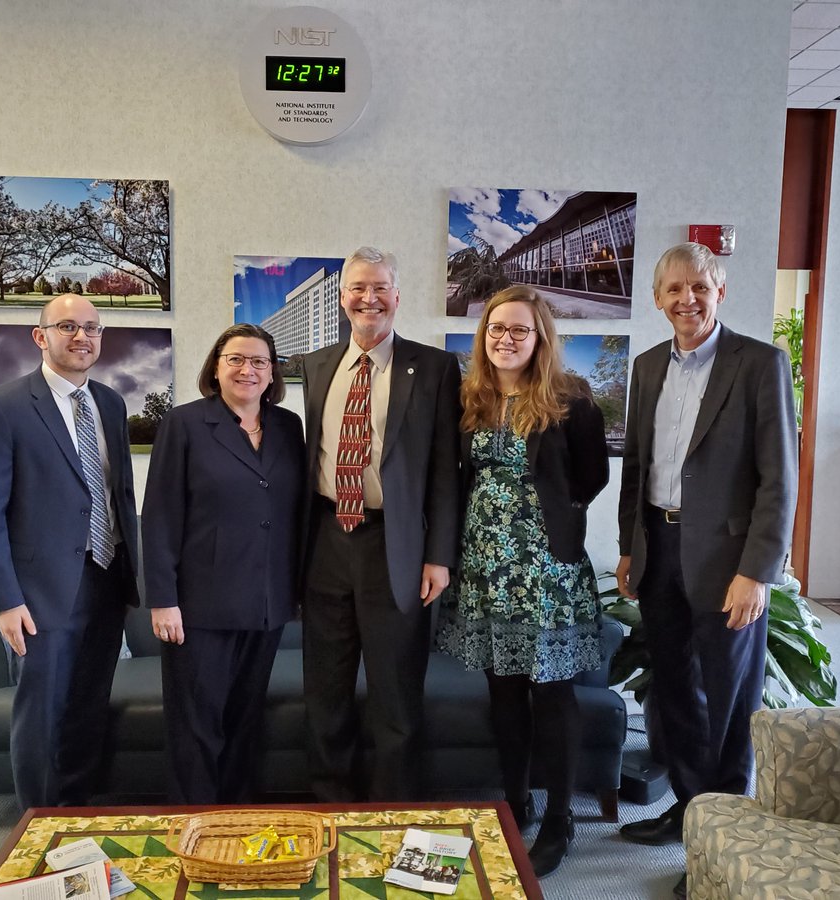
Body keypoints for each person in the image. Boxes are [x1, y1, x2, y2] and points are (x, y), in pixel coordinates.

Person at [616, 243, 797, 899]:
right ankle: (691, 811)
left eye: (698, 287)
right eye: (674, 290)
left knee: (729, 702)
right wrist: (630, 548)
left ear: (719, 291)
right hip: (659, 552)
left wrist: (758, 571)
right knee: (676, 696)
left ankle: (724, 846)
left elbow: (780, 480)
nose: (686, 300)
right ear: (657, 299)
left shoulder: (759, 364)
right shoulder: (644, 368)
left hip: (727, 562)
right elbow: (637, 469)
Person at [436, 286, 609, 878]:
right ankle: (516, 799)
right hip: (485, 568)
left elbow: (592, 476)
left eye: (519, 330)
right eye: (496, 329)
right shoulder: (469, 398)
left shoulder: (571, 399)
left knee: (552, 693)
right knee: (503, 691)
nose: (505, 339)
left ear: (539, 338)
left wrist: (548, 519)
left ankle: (560, 816)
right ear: (484, 337)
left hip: (545, 569)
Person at [0, 293, 140, 809]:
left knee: (87, 707)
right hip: (37, 594)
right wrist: (3, 599)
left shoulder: (109, 402)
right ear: (40, 337)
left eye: (92, 328)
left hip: (106, 579)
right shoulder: (0, 407)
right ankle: (36, 825)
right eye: (68, 326)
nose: (82, 337)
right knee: (41, 713)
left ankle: (76, 813)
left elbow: (115, 494)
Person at [301, 245, 462, 802]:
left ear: (397, 295)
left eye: (379, 288)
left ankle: (392, 809)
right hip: (325, 542)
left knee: (395, 694)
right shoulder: (317, 364)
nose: (369, 299)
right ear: (343, 297)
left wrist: (439, 556)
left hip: (394, 546)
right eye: (357, 288)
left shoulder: (434, 367)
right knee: (326, 690)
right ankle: (331, 806)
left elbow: (446, 470)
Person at [142, 324, 306, 803]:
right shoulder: (185, 423)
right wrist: (163, 599)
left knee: (245, 720)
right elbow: (160, 516)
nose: (247, 370)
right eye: (236, 359)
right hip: (200, 607)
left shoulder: (286, 426)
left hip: (266, 603)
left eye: (259, 361)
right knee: (197, 724)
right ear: (216, 366)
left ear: (272, 372)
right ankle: (195, 823)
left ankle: (238, 820)